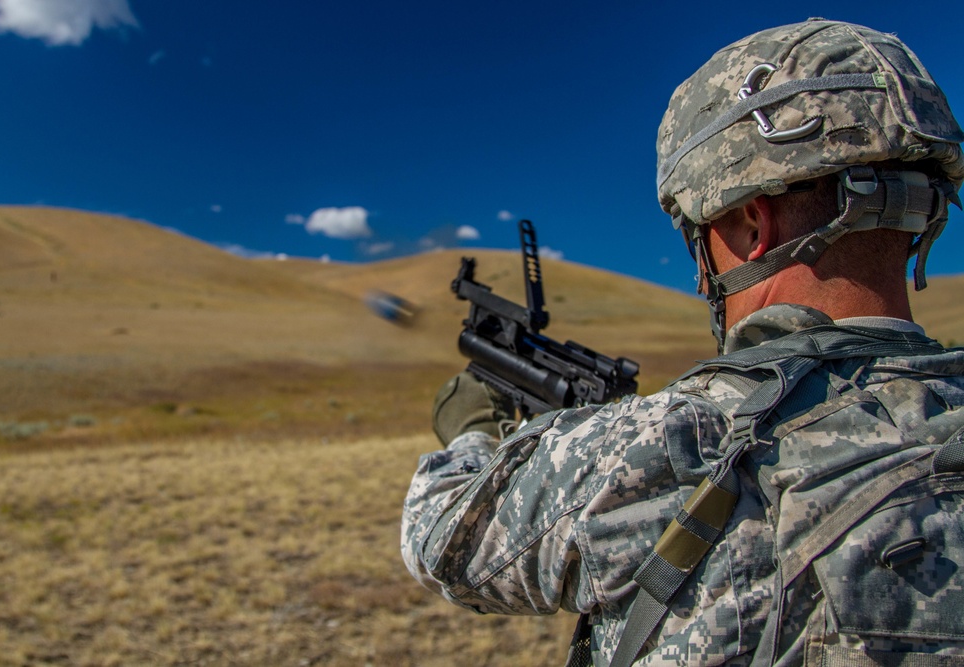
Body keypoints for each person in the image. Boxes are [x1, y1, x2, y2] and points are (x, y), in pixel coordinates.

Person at [401, 19, 964, 666]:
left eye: (698, 235)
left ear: (751, 223)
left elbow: (442, 536)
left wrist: (472, 430)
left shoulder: (687, 438)